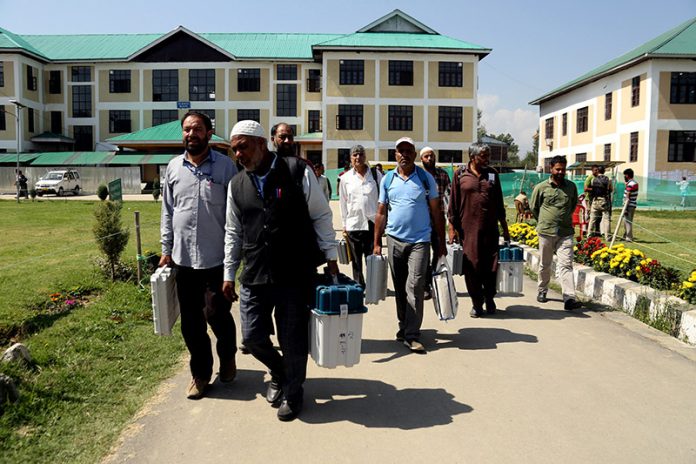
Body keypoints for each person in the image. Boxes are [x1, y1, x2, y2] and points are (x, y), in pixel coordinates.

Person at [223, 120, 338, 422]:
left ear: (261, 143)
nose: (238, 154)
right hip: (255, 272)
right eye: (234, 149)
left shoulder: (297, 171)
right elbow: (233, 233)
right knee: (251, 337)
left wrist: (331, 255)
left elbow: (321, 214)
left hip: (294, 272)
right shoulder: (237, 184)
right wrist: (227, 274)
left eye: (243, 147)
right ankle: (279, 370)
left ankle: (294, 392)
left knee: (292, 339)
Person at [159, 111, 239, 400]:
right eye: (186, 130)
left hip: (215, 260)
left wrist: (233, 261)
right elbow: (167, 211)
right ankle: (201, 374)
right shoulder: (172, 167)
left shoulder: (226, 167)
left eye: (197, 129)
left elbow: (234, 217)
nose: (191, 134)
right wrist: (166, 249)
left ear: (208, 132)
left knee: (218, 316)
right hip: (183, 261)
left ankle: (227, 357)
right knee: (191, 324)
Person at [373, 137, 446, 353]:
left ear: (414, 154)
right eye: (400, 151)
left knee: (414, 286)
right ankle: (403, 326)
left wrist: (440, 243)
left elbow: (436, 212)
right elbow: (380, 212)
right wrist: (376, 242)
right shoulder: (387, 179)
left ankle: (412, 334)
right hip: (394, 239)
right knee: (400, 287)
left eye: (408, 150)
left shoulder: (425, 179)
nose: (404, 154)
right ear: (395, 155)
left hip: (420, 241)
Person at [449, 144, 510, 317]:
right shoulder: (460, 174)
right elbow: (453, 204)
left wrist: (505, 229)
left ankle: (489, 298)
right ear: (473, 156)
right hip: (468, 231)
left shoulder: (492, 174)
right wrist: (452, 229)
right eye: (483, 156)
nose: (487, 159)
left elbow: (499, 203)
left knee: (491, 267)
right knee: (472, 267)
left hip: (490, 230)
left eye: (488, 156)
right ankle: (477, 303)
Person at [531, 155, 582, 311]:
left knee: (566, 265)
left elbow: (573, 206)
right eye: (557, 169)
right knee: (545, 264)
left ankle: (569, 298)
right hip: (546, 232)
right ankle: (542, 290)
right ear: (551, 169)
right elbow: (534, 208)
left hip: (565, 232)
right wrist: (545, 221)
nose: (560, 172)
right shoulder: (541, 188)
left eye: (563, 169)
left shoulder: (571, 187)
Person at [339, 144, 382, 287]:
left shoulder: (376, 175)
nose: (358, 157)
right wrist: (344, 224)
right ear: (351, 158)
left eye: (361, 154)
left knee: (372, 257)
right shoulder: (345, 179)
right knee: (356, 260)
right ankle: (358, 285)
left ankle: (372, 286)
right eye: (355, 155)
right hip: (354, 223)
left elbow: (383, 199)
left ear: (365, 156)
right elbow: (343, 203)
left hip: (371, 223)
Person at [420, 146, 451, 300]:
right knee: (423, 253)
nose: (430, 159)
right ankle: (425, 286)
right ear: (421, 159)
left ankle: (435, 282)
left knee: (438, 251)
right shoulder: (418, 176)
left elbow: (449, 198)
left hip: (438, 219)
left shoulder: (443, 175)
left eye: (432, 156)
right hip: (422, 221)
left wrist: (451, 223)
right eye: (426, 156)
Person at [589, 165, 613, 239]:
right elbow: (611, 189)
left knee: (592, 219)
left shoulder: (593, 179)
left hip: (595, 200)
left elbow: (592, 189)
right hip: (604, 200)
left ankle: (589, 235)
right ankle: (608, 236)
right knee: (606, 219)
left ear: (598, 171)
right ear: (604, 171)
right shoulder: (607, 180)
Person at [622, 168, 639, 242]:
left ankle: (629, 237)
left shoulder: (631, 184)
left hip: (628, 205)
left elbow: (628, 194)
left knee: (627, 221)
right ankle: (626, 235)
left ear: (627, 175)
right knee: (627, 221)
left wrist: (625, 206)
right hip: (632, 204)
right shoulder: (634, 182)